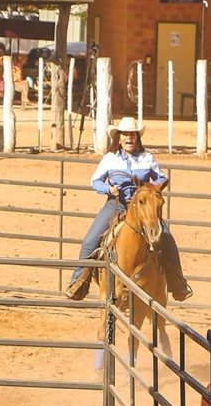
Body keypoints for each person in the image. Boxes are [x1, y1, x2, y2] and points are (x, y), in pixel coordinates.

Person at [65, 117, 193, 302]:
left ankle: (178, 283)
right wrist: (108, 189)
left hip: (144, 207)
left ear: (137, 137)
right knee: (90, 240)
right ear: (118, 138)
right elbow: (95, 181)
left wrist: (149, 189)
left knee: (166, 238)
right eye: (125, 134)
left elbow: (161, 179)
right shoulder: (110, 159)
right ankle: (78, 282)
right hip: (116, 204)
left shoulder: (147, 158)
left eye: (132, 134)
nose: (129, 138)